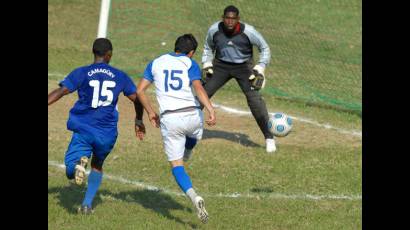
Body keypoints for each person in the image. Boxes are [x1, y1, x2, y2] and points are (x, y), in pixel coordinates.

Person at [48, 38, 146, 214]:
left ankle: (78, 164)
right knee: (97, 165)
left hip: (84, 128)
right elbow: (137, 99)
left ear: (94, 53)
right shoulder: (120, 75)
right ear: (109, 55)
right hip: (107, 133)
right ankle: (86, 204)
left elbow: (61, 91)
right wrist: (138, 119)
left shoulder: (81, 72)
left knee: (70, 170)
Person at [136, 34, 216, 223]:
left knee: (177, 166)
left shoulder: (155, 63)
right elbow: (198, 88)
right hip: (193, 114)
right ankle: (189, 148)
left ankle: (194, 197)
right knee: (194, 135)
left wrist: (150, 112)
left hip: (170, 118)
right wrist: (211, 109)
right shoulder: (190, 64)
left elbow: (140, 90)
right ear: (191, 52)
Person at [201, 5, 276, 153]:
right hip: (220, 66)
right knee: (201, 94)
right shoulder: (214, 29)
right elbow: (208, 47)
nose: (229, 21)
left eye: (233, 19)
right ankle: (190, 130)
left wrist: (260, 67)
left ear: (238, 19)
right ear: (223, 18)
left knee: (255, 102)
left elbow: (265, 48)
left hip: (244, 68)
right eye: (227, 18)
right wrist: (207, 63)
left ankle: (269, 138)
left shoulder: (249, 31)